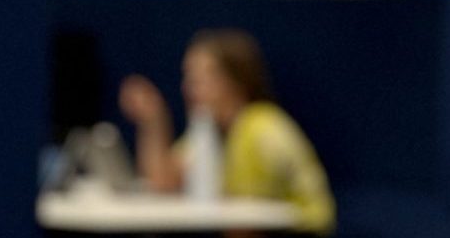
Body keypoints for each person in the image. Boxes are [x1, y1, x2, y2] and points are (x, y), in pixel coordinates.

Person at [119, 29, 335, 236]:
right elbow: (163, 182)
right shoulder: (207, 131)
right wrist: (154, 120)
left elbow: (246, 224)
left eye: (202, 78)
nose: (189, 88)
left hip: (301, 231)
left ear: (235, 80)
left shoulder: (260, 126)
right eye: (189, 77)